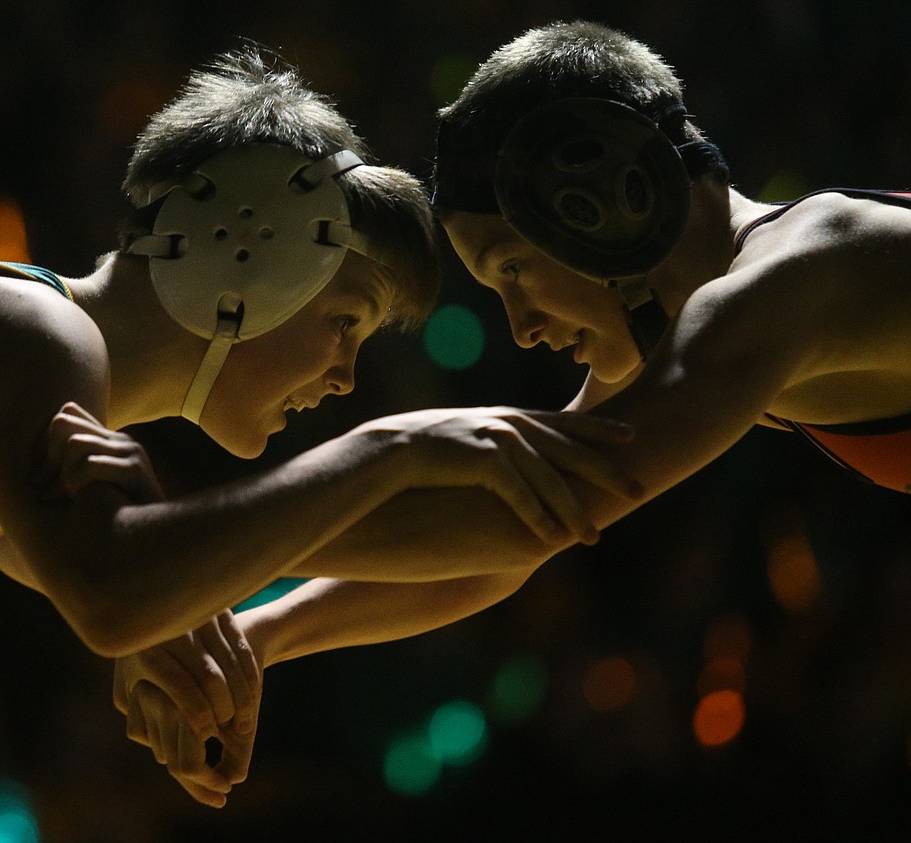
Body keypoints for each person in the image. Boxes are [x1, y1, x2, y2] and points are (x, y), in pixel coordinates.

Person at [115, 20, 911, 806]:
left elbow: (528, 522)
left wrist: (187, 572)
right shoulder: (727, 314)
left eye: (513, 270)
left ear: (597, 198)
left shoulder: (799, 276)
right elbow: (506, 535)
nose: (525, 326)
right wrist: (259, 633)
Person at [0, 44, 640, 738]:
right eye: (345, 320)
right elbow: (111, 594)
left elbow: (459, 546)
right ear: (254, 250)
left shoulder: (20, 447)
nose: (344, 376)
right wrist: (389, 451)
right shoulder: (20, 325)